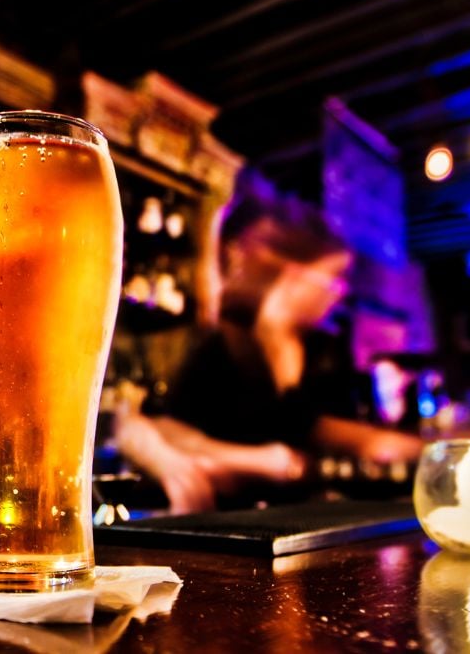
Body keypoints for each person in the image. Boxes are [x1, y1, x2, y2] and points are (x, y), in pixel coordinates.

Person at [115, 193, 422, 513]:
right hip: (230, 524)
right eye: (333, 279)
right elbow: (153, 427)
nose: (339, 293)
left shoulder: (323, 350)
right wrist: (261, 462)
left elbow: (352, 440)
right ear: (293, 275)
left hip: (312, 520)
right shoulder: (222, 345)